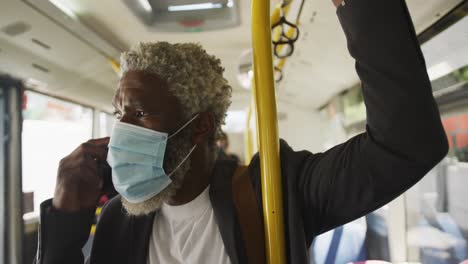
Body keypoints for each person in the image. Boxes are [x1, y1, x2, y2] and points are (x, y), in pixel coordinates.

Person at [34, 0, 449, 263]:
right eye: (118, 113)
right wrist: (66, 222)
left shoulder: (276, 190)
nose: (119, 132)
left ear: (200, 128)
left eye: (139, 113)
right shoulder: (117, 220)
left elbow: (406, 142)